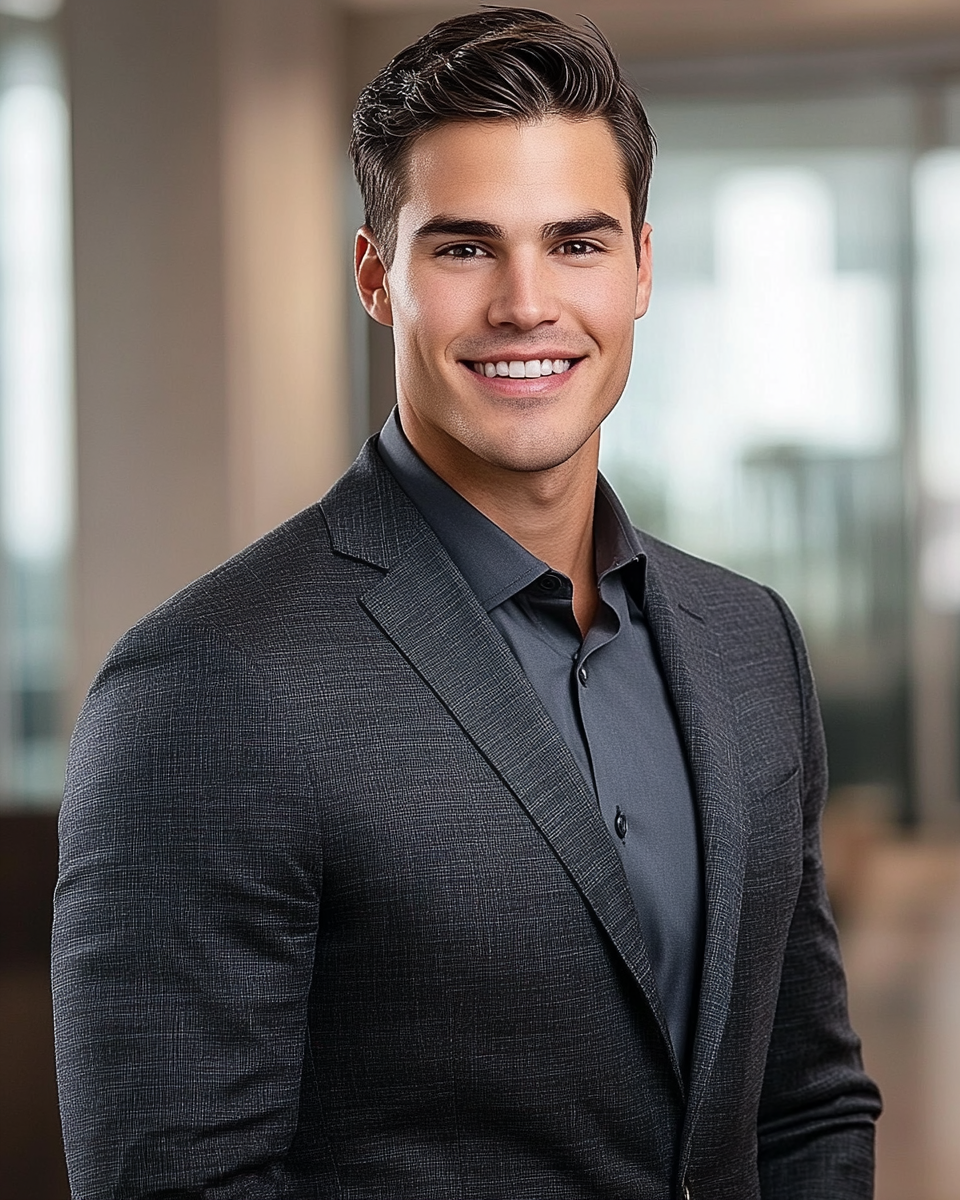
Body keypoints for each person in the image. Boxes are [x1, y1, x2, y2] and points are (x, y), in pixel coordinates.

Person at [52, 8, 881, 1199]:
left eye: (578, 244)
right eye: (464, 247)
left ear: (643, 268)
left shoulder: (750, 642)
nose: (526, 304)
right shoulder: (207, 686)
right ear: (376, 276)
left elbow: (807, 1104)